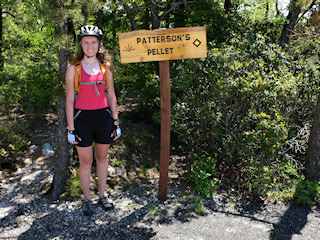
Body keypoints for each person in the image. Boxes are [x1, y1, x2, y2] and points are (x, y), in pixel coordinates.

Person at [65, 25, 121, 216]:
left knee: (102, 158)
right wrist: (71, 129)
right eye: (86, 42)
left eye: (93, 42)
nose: (90, 46)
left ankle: (103, 195)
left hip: (103, 118)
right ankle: (87, 199)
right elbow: (70, 99)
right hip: (82, 119)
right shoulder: (74, 68)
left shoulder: (106, 68)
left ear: (99, 44)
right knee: (86, 162)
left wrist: (116, 121)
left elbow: (112, 95)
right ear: (81, 45)